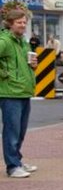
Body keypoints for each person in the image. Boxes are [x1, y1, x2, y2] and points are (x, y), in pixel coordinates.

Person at [0, 9, 38, 178]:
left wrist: (33, 65)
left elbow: (24, 63)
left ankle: (17, 160)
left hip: (23, 90)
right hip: (10, 91)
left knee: (20, 130)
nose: (23, 25)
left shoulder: (23, 41)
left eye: (24, 22)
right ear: (10, 23)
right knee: (12, 130)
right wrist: (4, 73)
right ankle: (13, 166)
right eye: (19, 22)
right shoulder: (5, 41)